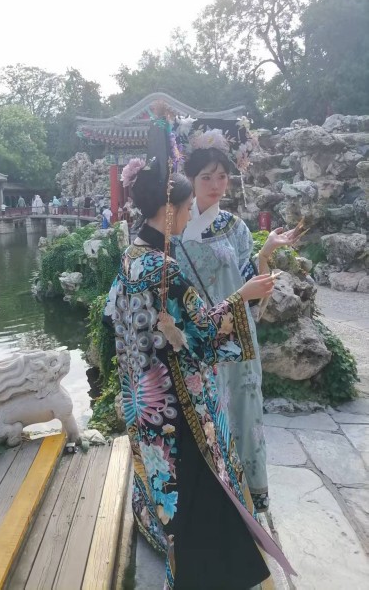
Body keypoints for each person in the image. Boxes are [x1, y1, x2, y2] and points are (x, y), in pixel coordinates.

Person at [103, 161, 292, 589]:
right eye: (187, 207)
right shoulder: (165, 269)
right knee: (198, 486)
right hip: (178, 401)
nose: (190, 215)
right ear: (169, 210)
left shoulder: (132, 256)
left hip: (145, 398)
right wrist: (242, 296)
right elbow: (203, 334)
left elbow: (114, 318)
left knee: (168, 486)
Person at [177, 144, 296, 513]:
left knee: (244, 410)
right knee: (208, 414)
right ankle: (213, 499)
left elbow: (249, 283)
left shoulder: (235, 227)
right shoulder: (176, 229)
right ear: (190, 180)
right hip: (199, 338)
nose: (216, 184)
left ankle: (248, 496)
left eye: (222, 176)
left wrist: (266, 253)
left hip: (238, 335)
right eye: (206, 177)